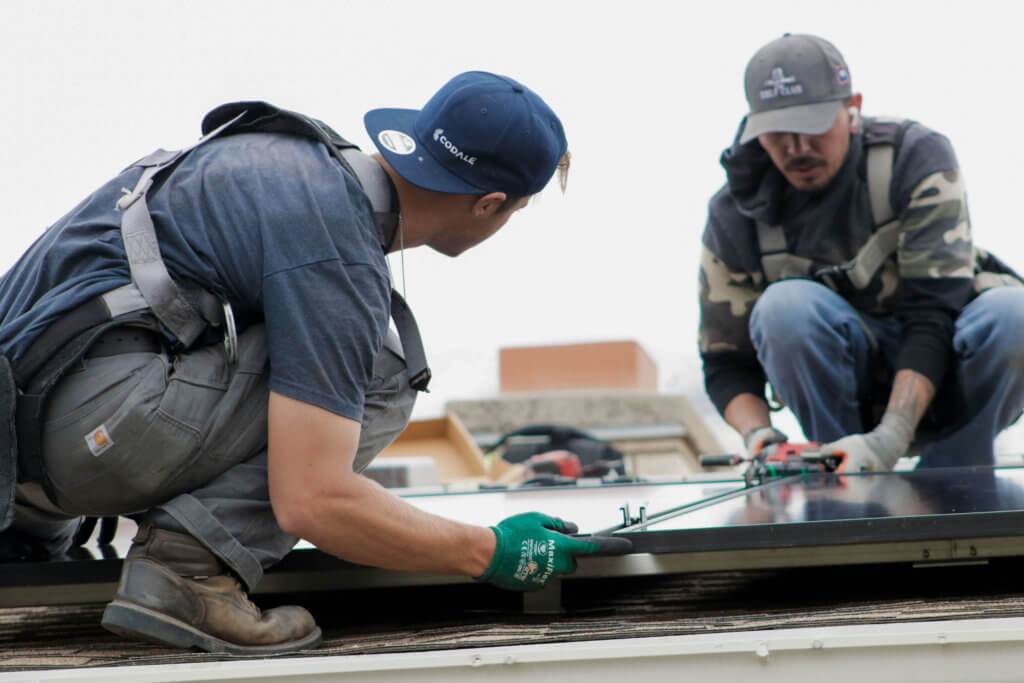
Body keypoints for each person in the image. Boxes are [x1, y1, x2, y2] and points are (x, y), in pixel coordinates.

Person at [0, 71, 630, 654]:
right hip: (87, 434)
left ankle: (33, 524)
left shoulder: (275, 159)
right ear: (490, 203)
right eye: (518, 209)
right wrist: (489, 551)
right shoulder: (335, 252)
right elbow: (315, 500)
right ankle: (189, 571)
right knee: (384, 369)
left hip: (20, 451)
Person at [698, 34, 1024, 474]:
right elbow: (725, 361)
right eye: (778, 134)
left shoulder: (914, 158)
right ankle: (842, 477)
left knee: (1013, 314)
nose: (797, 149)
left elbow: (933, 314)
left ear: (852, 108)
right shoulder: (734, 212)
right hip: (843, 395)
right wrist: (760, 436)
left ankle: (958, 475)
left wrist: (889, 440)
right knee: (785, 309)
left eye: (812, 126)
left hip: (946, 369)